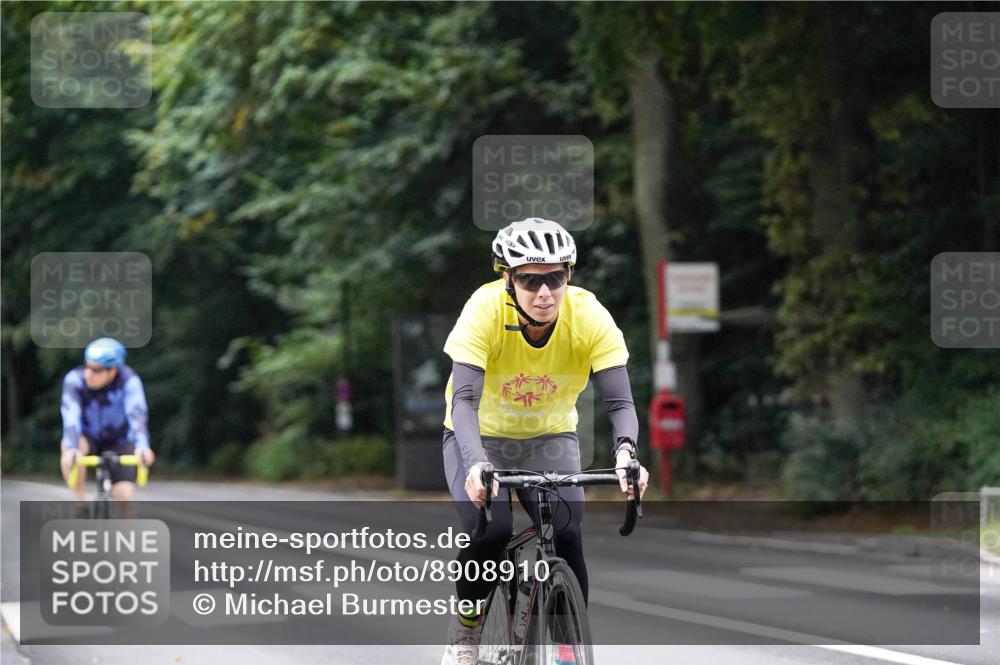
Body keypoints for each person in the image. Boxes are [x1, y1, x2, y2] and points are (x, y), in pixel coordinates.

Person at [440, 218, 649, 665]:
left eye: (554, 278)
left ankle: (568, 649)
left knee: (568, 533)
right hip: (479, 435)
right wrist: (476, 462)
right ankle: (467, 632)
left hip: (549, 437)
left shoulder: (589, 315)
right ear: (507, 279)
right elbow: (463, 399)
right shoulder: (484, 310)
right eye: (530, 280)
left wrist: (627, 454)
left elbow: (619, 403)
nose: (544, 292)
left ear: (568, 276)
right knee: (493, 531)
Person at [59, 337, 155, 517]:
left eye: (96, 370)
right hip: (88, 437)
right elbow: (70, 416)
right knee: (69, 448)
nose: (89, 373)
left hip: (120, 439)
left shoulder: (129, 380)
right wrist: (72, 448)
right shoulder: (74, 379)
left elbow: (137, 414)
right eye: (87, 366)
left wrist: (142, 446)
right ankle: (81, 507)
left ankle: (123, 538)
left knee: (124, 496)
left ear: (112, 371)